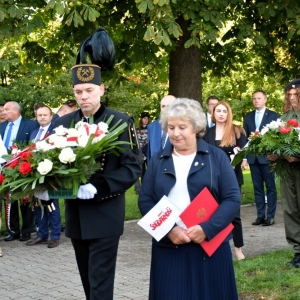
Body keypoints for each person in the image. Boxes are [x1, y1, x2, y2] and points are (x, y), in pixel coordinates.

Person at [36, 28, 142, 299]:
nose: (84, 96)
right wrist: (45, 185)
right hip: (76, 216)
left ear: (101, 89)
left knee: (100, 282)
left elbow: (132, 167)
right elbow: (49, 162)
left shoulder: (120, 121)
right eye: (79, 91)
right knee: (88, 281)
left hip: (106, 212)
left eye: (89, 90)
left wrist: (99, 187)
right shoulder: (62, 123)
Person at [139, 98, 240, 300]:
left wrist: (207, 229)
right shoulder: (158, 159)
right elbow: (146, 200)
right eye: (171, 127)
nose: (175, 133)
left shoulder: (216, 157)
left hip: (210, 246)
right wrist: (169, 230)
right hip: (170, 247)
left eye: (182, 127)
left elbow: (232, 198)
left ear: (196, 127)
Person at [204, 101, 247, 260]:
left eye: (224, 111)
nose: (221, 114)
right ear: (213, 114)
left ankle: (238, 249)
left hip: (232, 178)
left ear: (228, 114)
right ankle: (218, 246)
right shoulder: (207, 133)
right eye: (218, 111)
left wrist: (243, 160)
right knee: (213, 214)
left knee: (234, 215)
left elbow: (244, 151)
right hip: (211, 179)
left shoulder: (237, 131)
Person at [268, 79, 300, 267]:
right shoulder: (283, 118)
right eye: (289, 94)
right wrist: (276, 155)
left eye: (295, 94)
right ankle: (298, 252)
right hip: (287, 170)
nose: (292, 97)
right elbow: (276, 143)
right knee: (290, 209)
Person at [0, 101, 39, 241]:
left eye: (6, 109)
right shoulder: (1, 126)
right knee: (10, 199)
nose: (3, 112)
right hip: (5, 168)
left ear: (16, 111)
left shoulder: (31, 125)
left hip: (22, 166)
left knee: (25, 198)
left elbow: (33, 146)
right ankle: (13, 230)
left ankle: (27, 230)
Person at [26, 105, 61, 248]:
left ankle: (55, 236)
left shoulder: (55, 132)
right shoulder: (34, 132)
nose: (42, 117)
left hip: (51, 174)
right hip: (35, 174)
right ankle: (41, 234)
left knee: (52, 205)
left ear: (51, 116)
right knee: (38, 205)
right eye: (39, 115)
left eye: (45, 115)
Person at [243, 90, 279, 226]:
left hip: (268, 158)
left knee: (270, 188)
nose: (256, 100)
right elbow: (245, 139)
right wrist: (245, 158)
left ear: (265, 100)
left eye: (258, 98)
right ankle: (260, 216)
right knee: (258, 188)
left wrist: (275, 156)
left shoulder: (274, 116)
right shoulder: (248, 117)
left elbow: (277, 138)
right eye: (254, 98)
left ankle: (270, 216)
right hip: (253, 158)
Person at [146, 95, 175, 162]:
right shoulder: (152, 127)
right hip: (155, 170)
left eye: (169, 106)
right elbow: (150, 155)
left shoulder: (181, 127)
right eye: (163, 106)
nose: (165, 108)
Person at [134, 111, 150, 195]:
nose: (146, 120)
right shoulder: (137, 130)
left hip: (147, 153)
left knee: (145, 172)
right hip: (138, 153)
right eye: (144, 118)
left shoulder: (150, 129)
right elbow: (135, 142)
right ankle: (137, 189)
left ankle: (143, 188)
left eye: (147, 118)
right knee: (138, 170)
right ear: (141, 119)